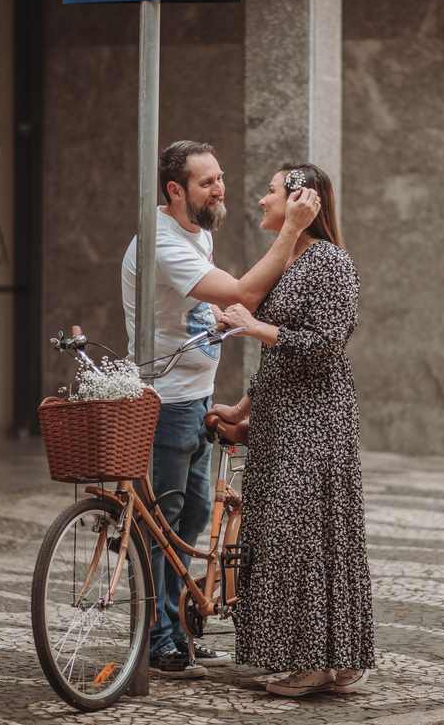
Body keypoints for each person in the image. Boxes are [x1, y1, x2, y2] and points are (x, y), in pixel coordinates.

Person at [121, 141, 321, 679]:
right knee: (163, 525)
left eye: (220, 177)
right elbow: (241, 293)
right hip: (166, 403)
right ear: (175, 190)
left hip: (197, 396)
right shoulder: (161, 241)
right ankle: (156, 639)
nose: (220, 188)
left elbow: (207, 301)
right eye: (206, 182)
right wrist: (290, 231)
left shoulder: (199, 232)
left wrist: (217, 316)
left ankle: (176, 632)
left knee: (189, 519)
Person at [209, 162, 375, 696]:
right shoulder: (292, 258)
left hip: (316, 421)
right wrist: (242, 407)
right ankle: (336, 658)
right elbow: (279, 357)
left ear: (302, 199)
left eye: (272, 191)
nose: (261, 199)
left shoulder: (330, 261)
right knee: (297, 535)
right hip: (284, 419)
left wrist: (254, 326)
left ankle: (316, 662)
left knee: (303, 536)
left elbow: (325, 344)